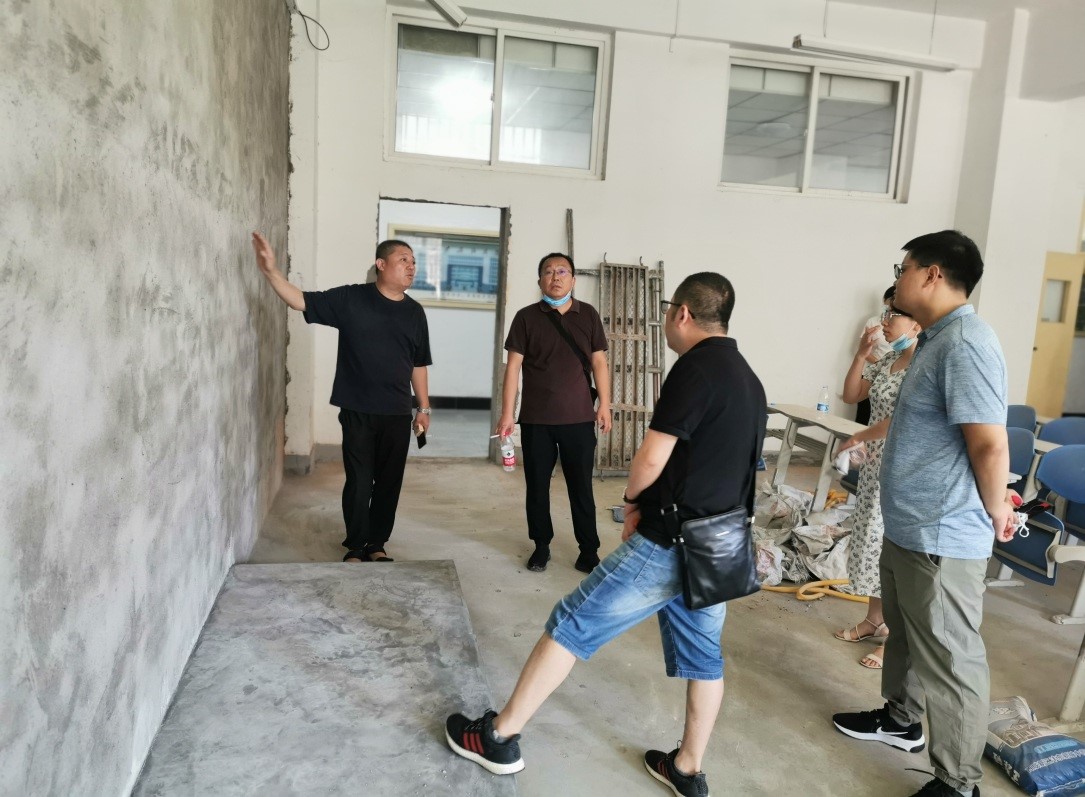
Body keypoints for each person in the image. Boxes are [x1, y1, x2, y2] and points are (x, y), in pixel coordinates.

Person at [446, 273, 766, 797]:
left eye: (669, 310)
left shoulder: (694, 370)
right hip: (721, 545)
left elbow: (652, 456)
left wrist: (633, 502)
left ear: (683, 314)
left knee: (571, 623)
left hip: (670, 540)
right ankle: (687, 769)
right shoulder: (748, 378)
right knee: (705, 656)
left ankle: (499, 738)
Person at [832, 231, 1016, 797]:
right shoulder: (934, 339)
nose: (899, 280)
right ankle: (901, 720)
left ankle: (958, 783)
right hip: (909, 523)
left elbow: (989, 444)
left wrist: (997, 511)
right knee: (909, 635)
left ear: (932, 274)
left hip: (942, 533)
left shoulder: (967, 343)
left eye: (904, 269)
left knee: (952, 661)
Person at [250, 232, 432, 563]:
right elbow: (300, 300)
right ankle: (356, 545)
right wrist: (271, 272)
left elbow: (418, 364)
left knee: (389, 482)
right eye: (403, 259)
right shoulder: (351, 299)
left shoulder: (415, 313)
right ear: (381, 264)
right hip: (357, 408)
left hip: (396, 411)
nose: (411, 266)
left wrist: (424, 407)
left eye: (414, 262)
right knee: (360, 481)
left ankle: (377, 544)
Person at [496, 253, 612, 574]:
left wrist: (604, 404)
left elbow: (599, 362)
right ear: (540, 281)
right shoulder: (526, 317)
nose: (555, 276)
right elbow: (513, 368)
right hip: (537, 420)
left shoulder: (588, 315)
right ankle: (541, 546)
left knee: (581, 488)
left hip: (579, 419)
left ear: (573, 279)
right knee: (537, 488)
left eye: (562, 271)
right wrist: (507, 413)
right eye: (548, 272)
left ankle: (588, 550)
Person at [834, 287, 921, 670]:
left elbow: (903, 419)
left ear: (917, 324)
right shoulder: (889, 360)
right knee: (872, 543)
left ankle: (895, 639)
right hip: (875, 466)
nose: (884, 322)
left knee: (896, 550)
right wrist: (861, 354)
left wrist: (860, 437)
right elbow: (852, 394)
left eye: (893, 315)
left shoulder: (922, 366)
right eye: (885, 315)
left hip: (902, 467)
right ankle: (875, 620)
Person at [854, 286, 896, 425]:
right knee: (863, 417)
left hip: (892, 376)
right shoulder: (873, 322)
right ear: (884, 300)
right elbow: (863, 350)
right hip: (872, 373)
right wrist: (881, 364)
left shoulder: (905, 327)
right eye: (890, 300)